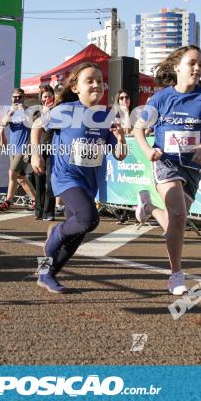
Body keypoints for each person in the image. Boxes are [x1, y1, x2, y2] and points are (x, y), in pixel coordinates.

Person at [134, 46, 201, 295]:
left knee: (177, 218)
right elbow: (138, 129)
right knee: (177, 217)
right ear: (178, 67)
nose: (197, 68)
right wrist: (147, 151)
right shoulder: (161, 98)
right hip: (166, 162)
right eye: (192, 63)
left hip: (192, 166)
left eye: (200, 64)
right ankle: (176, 274)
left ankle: (148, 208)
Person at [31, 62, 127, 293]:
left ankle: (47, 274)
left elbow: (120, 155)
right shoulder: (66, 110)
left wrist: (121, 139)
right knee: (88, 219)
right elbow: (36, 126)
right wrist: (36, 154)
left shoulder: (106, 115)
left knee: (79, 231)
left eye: (100, 81)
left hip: (89, 181)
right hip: (66, 177)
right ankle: (54, 234)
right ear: (75, 88)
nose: (96, 85)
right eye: (90, 81)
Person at [0, 88, 37, 211]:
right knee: (20, 177)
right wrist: (10, 113)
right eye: (15, 97)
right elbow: (2, 124)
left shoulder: (29, 111)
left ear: (24, 98)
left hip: (24, 148)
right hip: (13, 149)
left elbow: (33, 125)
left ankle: (8, 201)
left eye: (20, 97)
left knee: (12, 173)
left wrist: (23, 111)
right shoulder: (11, 111)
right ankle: (37, 200)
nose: (17, 99)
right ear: (12, 98)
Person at [29, 85, 56, 220]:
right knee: (38, 180)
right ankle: (38, 210)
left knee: (50, 181)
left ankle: (49, 212)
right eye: (45, 96)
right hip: (40, 150)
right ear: (41, 99)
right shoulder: (37, 114)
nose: (47, 98)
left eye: (50, 96)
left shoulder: (58, 112)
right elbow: (38, 129)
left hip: (55, 150)